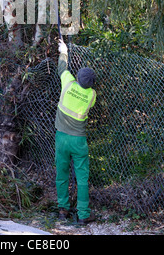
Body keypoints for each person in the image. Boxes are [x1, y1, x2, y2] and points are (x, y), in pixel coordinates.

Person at [55, 39, 97, 225]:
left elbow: (62, 69)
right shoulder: (91, 96)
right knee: (82, 178)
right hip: (78, 141)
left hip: (61, 138)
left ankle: (63, 209)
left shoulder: (68, 84)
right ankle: (83, 214)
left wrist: (63, 51)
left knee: (62, 173)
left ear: (77, 79)